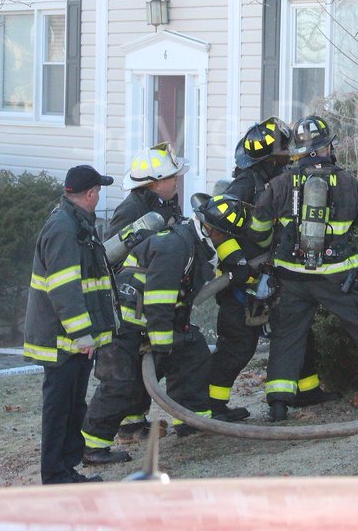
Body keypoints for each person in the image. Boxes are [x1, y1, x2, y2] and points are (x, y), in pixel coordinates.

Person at [81, 194, 253, 454]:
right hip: (125, 324)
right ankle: (93, 447)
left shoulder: (193, 241)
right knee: (121, 384)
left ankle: (190, 421)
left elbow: (180, 295)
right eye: (228, 237)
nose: (230, 242)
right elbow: (158, 298)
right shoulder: (175, 247)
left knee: (193, 353)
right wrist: (163, 343)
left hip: (150, 322)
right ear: (215, 231)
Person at [254, 115, 358, 421]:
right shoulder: (348, 183)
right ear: (326, 148)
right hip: (337, 277)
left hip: (291, 277)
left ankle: (278, 403)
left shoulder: (279, 184)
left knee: (287, 335)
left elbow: (258, 228)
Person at [206, 117, 338, 421]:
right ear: (270, 158)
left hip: (275, 273)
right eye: (283, 150)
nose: (289, 154)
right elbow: (215, 224)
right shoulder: (244, 185)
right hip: (242, 282)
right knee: (238, 345)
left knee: (297, 330)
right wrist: (237, 262)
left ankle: (306, 391)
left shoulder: (280, 179)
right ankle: (210, 405)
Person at [83, 142, 189, 459]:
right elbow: (109, 259)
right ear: (154, 182)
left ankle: (132, 426)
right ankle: (93, 445)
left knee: (142, 368)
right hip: (121, 307)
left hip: (145, 304)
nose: (177, 181)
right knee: (119, 378)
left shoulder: (167, 202)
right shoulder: (131, 211)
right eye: (172, 177)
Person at [23, 164, 119, 485]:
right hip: (64, 341)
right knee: (59, 410)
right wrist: (82, 334)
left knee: (73, 406)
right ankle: (55, 476)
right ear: (90, 194)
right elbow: (64, 287)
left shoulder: (76, 223)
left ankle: (66, 471)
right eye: (98, 192)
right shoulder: (63, 228)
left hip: (74, 341)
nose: (99, 197)